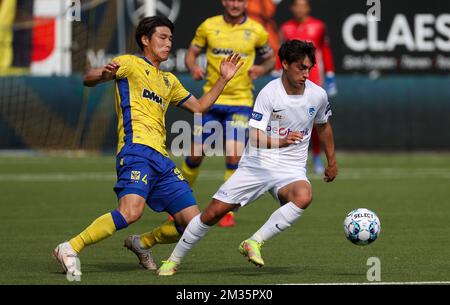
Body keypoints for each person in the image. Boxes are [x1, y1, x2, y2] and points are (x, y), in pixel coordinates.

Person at [52, 15, 243, 276]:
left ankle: (142, 243)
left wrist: (223, 79)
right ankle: (70, 246)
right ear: (145, 40)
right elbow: (89, 77)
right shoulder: (130, 64)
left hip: (162, 160)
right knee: (130, 212)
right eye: (162, 38)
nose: (168, 44)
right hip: (135, 150)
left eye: (170, 39)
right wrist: (103, 74)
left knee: (192, 224)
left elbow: (200, 107)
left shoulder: (169, 81)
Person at [157, 40, 338, 276]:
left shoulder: (318, 95)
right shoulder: (270, 94)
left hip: (290, 169)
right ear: (284, 64)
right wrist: (281, 141)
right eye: (300, 68)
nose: (306, 74)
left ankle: (253, 242)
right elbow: (253, 137)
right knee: (212, 213)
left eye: (309, 68)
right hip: (257, 164)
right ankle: (173, 260)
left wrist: (331, 161)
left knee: (304, 195)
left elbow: (323, 127)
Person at [181, 0, 275, 227]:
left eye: (240, 0)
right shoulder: (208, 26)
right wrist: (193, 67)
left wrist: (262, 68)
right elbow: (191, 54)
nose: (235, 4)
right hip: (210, 101)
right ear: (224, 2)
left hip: (241, 102)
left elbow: (271, 58)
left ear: (246, 3)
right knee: (195, 154)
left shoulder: (256, 30)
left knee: (234, 155)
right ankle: (180, 202)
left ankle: (225, 210)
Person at [280, 0, 337, 174]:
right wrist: (278, 72)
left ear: (308, 8)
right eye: (297, 5)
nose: (300, 9)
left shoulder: (318, 26)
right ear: (292, 8)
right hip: (291, 82)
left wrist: (330, 75)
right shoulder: (286, 28)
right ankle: (295, 159)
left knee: (316, 121)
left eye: (303, 5)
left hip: (313, 80)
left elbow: (324, 50)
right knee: (290, 119)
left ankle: (317, 156)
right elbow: (281, 53)